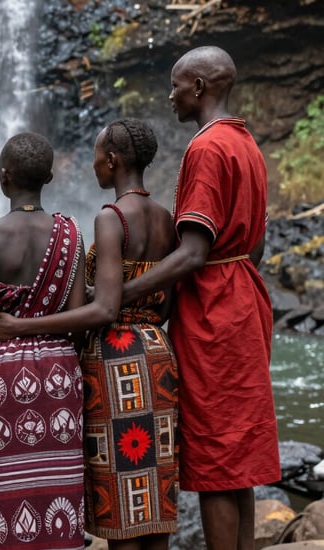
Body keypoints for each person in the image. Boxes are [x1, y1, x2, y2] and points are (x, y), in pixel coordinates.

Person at [0, 121, 179, 550]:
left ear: (112, 161)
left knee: (120, 506)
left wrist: (21, 326)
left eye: (96, 155)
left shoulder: (110, 219)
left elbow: (103, 310)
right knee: (154, 498)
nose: (93, 163)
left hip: (115, 364)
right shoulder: (166, 219)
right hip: (157, 355)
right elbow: (166, 305)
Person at [120, 46, 280, 549]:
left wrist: (122, 295)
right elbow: (254, 243)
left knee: (214, 458)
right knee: (239, 459)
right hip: (243, 298)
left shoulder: (206, 148)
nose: (169, 96)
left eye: (175, 85)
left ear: (198, 87)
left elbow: (191, 254)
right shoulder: (245, 142)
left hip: (214, 311)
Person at [0, 132, 87, 549]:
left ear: (3, 177)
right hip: (59, 375)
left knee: (6, 496)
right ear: (49, 177)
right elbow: (75, 319)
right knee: (59, 493)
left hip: (2, 375)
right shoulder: (71, 234)